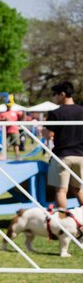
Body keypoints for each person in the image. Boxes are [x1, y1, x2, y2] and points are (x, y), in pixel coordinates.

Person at [43, 80, 83, 212]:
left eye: (55, 94)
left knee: (61, 190)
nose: (54, 97)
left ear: (63, 94)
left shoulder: (56, 113)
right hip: (81, 156)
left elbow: (48, 135)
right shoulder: (81, 111)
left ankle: (62, 222)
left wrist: (43, 130)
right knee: (78, 189)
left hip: (62, 155)